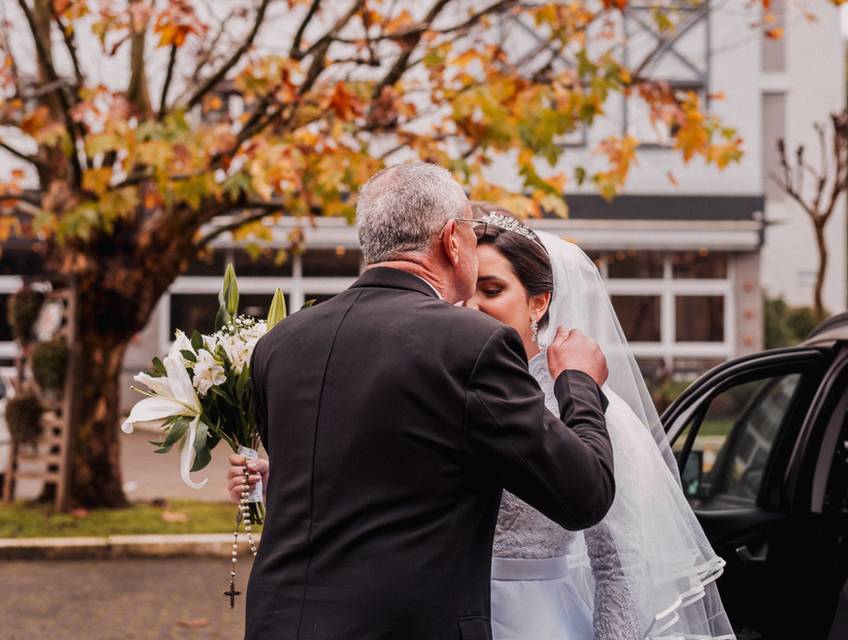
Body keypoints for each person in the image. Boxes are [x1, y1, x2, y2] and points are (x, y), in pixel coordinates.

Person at [231, 204, 736, 639]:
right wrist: (278, 481)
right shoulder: (440, 378)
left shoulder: (585, 403)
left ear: (539, 302)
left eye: (492, 290)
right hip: (431, 615)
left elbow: (618, 564)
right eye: (469, 291)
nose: (472, 307)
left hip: (535, 619)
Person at [237, 162, 615, 640]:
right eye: (475, 234)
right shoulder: (471, 343)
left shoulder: (282, 343)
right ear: (454, 240)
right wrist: (579, 382)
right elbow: (584, 494)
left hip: (280, 624)